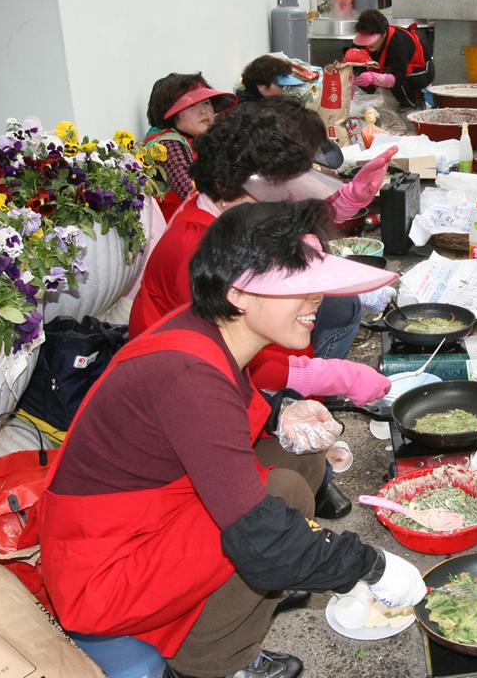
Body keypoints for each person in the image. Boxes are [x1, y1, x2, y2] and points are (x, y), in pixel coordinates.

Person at [40, 200, 427, 678]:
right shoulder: (188, 376)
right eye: (299, 288)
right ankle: (212, 661)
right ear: (240, 293)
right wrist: (369, 566)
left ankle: (243, 602)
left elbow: (208, 431)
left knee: (298, 458)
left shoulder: (211, 329)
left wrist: (281, 414)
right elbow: (259, 533)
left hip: (152, 514)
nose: (317, 301)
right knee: (279, 499)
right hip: (106, 570)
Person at [130, 99, 396, 518]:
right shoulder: (197, 254)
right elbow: (238, 358)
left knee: (340, 308)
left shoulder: (236, 211)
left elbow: (302, 220)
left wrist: (352, 197)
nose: (293, 200)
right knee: (287, 448)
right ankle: (293, 449)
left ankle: (306, 426)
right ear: (254, 185)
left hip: (237, 348)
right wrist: (334, 375)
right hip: (199, 381)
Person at [144, 73, 236, 221]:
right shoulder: (169, 145)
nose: (203, 111)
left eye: (206, 102)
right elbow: (193, 195)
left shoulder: (197, 139)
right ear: (171, 115)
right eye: (192, 104)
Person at [350, 9, 433, 109]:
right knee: (362, 75)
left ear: (383, 33)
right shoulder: (361, 41)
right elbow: (351, 65)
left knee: (401, 82)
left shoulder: (398, 43)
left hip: (421, 71)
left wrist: (374, 78)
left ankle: (410, 106)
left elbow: (398, 77)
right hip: (390, 69)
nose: (368, 44)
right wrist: (350, 78)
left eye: (371, 38)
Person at [237, 55, 307, 104]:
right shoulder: (254, 116)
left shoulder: (261, 106)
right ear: (262, 86)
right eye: (282, 86)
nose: (286, 92)